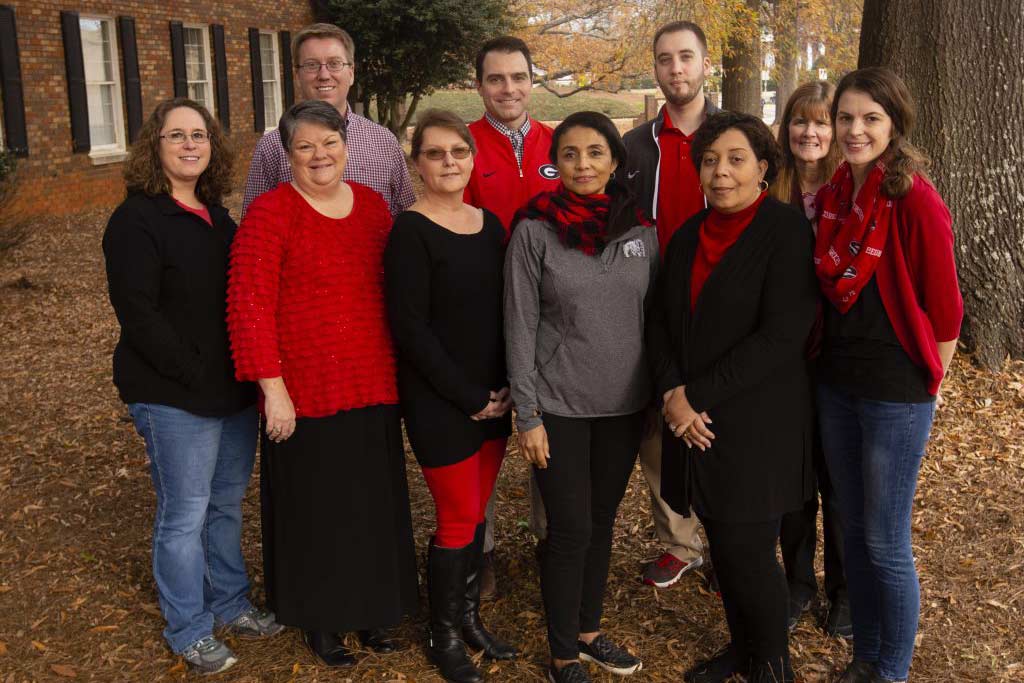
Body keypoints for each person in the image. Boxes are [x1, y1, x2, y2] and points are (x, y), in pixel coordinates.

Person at [227, 100, 418, 667]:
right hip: (304, 391)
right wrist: (272, 388)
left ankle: (374, 609)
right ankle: (323, 618)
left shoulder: (375, 209)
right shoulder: (271, 213)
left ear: (345, 145)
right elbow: (249, 306)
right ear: (286, 155)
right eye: (305, 146)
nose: (319, 155)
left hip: (372, 381)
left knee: (371, 505)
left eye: (329, 142)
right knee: (316, 510)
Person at [102, 98, 282, 675]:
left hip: (231, 390)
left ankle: (229, 603)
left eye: (199, 135)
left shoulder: (217, 216)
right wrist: (194, 371)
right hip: (172, 394)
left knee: (226, 505)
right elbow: (139, 315)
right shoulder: (137, 221)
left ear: (212, 146)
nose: (189, 145)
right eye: (176, 135)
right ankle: (188, 627)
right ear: (154, 147)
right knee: (184, 514)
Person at [648, 111, 818, 683]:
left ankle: (773, 667)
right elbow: (664, 325)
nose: (720, 173)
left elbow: (782, 335)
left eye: (736, 159)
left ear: (763, 168)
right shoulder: (688, 235)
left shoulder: (786, 232)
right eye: (710, 160)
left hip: (756, 423)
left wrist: (693, 396)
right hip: (694, 418)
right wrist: (673, 392)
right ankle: (744, 652)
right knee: (723, 546)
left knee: (748, 552)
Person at [813, 67, 962, 683]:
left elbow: (947, 311)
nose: (855, 130)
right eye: (845, 117)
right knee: (851, 534)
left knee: (885, 543)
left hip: (896, 393)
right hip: (837, 385)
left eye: (870, 118)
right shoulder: (831, 198)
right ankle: (865, 659)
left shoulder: (913, 198)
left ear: (894, 124)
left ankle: (892, 672)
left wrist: (927, 384)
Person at [505, 111, 656, 683]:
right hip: (558, 407)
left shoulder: (641, 229)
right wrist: (529, 413)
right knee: (569, 527)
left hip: (622, 407)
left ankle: (589, 632)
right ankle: (562, 653)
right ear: (556, 162)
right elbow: (517, 326)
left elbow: (652, 318)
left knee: (601, 518)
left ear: (616, 161)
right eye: (570, 153)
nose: (583, 164)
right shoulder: (534, 230)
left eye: (595, 153)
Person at [384, 109, 518, 683]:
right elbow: (411, 329)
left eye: (457, 152)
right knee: (458, 517)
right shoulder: (409, 231)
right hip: (443, 402)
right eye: (435, 153)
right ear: (417, 165)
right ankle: (442, 636)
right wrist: (468, 396)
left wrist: (506, 387)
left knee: (476, 512)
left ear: (472, 159)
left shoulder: (489, 227)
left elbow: (504, 314)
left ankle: (468, 618)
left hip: (495, 398)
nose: (448, 163)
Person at [622, 20, 719, 590]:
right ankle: (680, 541)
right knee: (658, 428)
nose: (676, 69)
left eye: (686, 57)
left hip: (720, 304)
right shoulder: (636, 146)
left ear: (706, 64)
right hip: (651, 305)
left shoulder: (738, 133)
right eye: (665, 59)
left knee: (720, 422)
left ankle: (733, 538)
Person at [463, 34, 561, 596]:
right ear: (480, 85)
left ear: (532, 80)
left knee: (550, 431)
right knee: (485, 435)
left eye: (518, 77)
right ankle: (483, 548)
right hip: (483, 314)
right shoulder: (464, 145)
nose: (508, 88)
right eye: (495, 78)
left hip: (551, 319)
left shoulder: (557, 142)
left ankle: (552, 543)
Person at [770, 81, 851, 637]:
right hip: (783, 358)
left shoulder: (853, 190)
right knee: (794, 479)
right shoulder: (771, 187)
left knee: (839, 480)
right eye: (801, 121)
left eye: (821, 122)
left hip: (843, 352)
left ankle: (845, 591)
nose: (811, 132)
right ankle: (797, 583)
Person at [242, 22, 415, 216]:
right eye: (311, 65)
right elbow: (253, 222)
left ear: (351, 73)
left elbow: (407, 218)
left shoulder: (384, 141)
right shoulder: (272, 146)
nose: (324, 75)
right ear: (297, 75)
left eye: (334, 64)